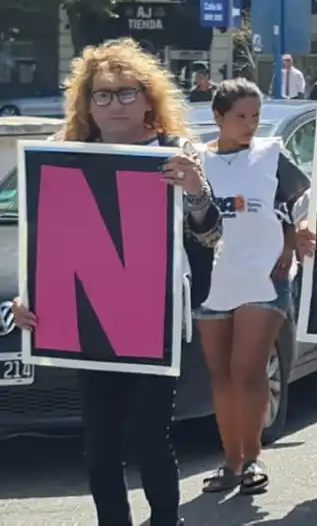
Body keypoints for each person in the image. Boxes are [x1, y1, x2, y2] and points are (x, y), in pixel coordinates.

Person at [7, 39, 223, 526]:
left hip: (153, 321)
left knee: (150, 437)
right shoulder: (66, 157)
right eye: (102, 95)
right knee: (99, 445)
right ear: (86, 104)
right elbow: (46, 244)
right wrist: (28, 296)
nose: (114, 104)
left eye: (126, 93)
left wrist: (194, 190)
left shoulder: (173, 153)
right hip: (88, 321)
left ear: (149, 99)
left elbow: (210, 234)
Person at [195, 79, 314, 495]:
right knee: (221, 374)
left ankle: (252, 459)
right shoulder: (195, 161)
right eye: (240, 117)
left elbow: (296, 205)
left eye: (255, 117)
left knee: (248, 371)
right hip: (212, 279)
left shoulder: (271, 155)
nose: (249, 125)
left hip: (265, 277)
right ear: (218, 118)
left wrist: (292, 240)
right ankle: (229, 462)